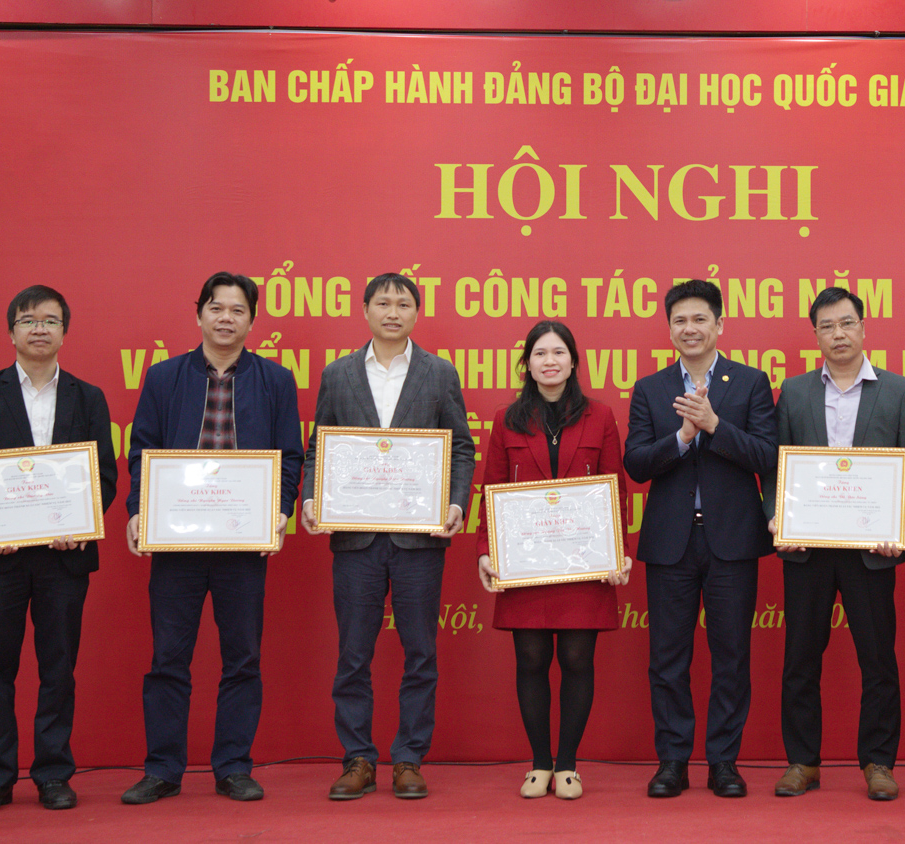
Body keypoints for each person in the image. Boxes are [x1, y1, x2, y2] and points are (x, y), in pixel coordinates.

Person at [120, 272, 303, 804]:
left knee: (242, 659)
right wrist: (138, 511)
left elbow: (290, 456)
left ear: (252, 320)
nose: (226, 318)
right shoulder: (164, 378)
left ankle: (233, 767)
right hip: (176, 543)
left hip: (242, 544)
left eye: (237, 310)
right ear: (199, 313)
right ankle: (162, 769)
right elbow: (142, 451)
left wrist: (279, 511)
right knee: (168, 659)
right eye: (216, 308)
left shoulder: (275, 381)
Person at [0, 285, 117, 813]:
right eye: (28, 320)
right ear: (11, 332)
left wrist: (81, 524)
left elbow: (104, 478)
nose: (39, 329)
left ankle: (53, 774)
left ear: (65, 331)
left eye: (49, 320)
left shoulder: (88, 397)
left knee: (58, 669)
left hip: (64, 559)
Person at [301, 273, 475, 800]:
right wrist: (311, 498)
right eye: (383, 303)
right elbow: (319, 447)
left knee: (420, 652)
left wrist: (455, 503)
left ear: (417, 313)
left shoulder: (439, 373)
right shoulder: (338, 374)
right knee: (353, 653)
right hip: (355, 539)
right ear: (366, 311)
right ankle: (357, 758)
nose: (393, 312)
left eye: (403, 304)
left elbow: (460, 446)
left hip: (418, 539)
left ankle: (408, 758)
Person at [762, 286, 905, 801]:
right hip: (806, 550)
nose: (838, 334)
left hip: (872, 552)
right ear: (816, 335)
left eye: (847, 323)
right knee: (800, 660)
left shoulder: (898, 391)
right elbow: (777, 466)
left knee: (878, 661)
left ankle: (879, 762)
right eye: (827, 326)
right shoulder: (795, 391)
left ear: (863, 327)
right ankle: (802, 762)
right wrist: (776, 517)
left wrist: (904, 526)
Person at [623, 279, 777, 799]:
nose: (690, 329)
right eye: (680, 321)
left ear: (719, 324)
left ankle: (724, 762)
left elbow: (767, 455)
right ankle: (672, 761)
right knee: (668, 659)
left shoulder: (750, 383)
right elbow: (636, 464)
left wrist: (713, 425)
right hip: (671, 543)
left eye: (699, 319)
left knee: (731, 656)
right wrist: (681, 437)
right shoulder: (650, 388)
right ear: (669, 329)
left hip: (732, 540)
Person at [474, 321, 632, 800]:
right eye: (540, 353)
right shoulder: (506, 419)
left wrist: (617, 552)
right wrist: (486, 550)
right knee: (531, 658)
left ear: (573, 361)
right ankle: (539, 763)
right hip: (527, 563)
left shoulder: (600, 416)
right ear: (527, 363)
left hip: (585, 561)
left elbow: (615, 489)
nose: (550, 361)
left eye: (559, 352)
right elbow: (491, 489)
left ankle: (567, 765)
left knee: (577, 658)